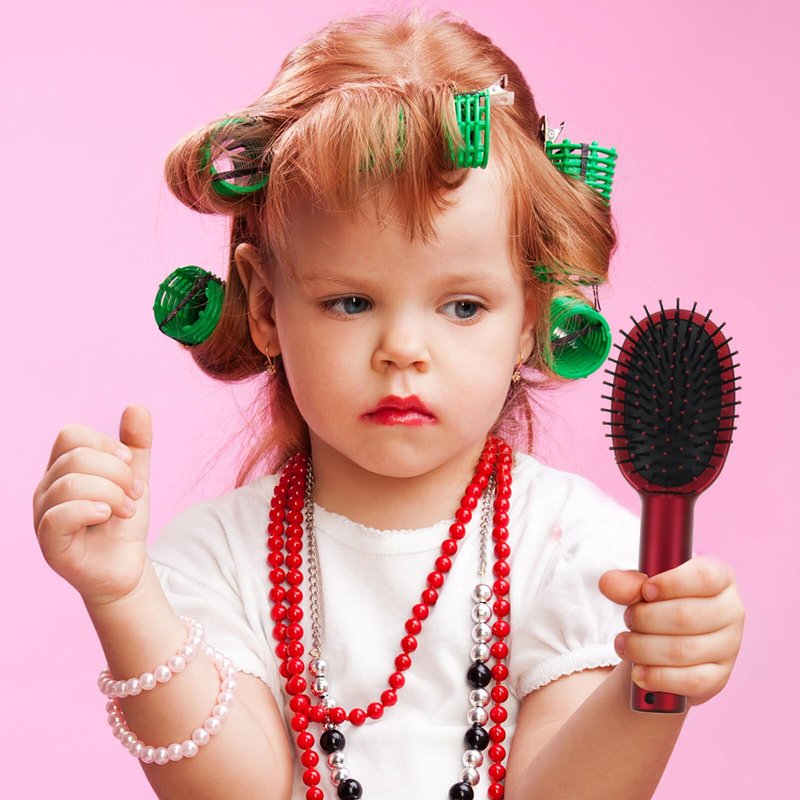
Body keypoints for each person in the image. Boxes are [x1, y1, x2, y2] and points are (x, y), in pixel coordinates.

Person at [32, 6, 745, 800]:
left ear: (533, 317)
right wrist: (124, 598)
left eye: (463, 306)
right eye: (350, 302)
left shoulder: (579, 551)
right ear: (265, 307)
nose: (403, 349)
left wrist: (647, 687)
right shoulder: (216, 558)